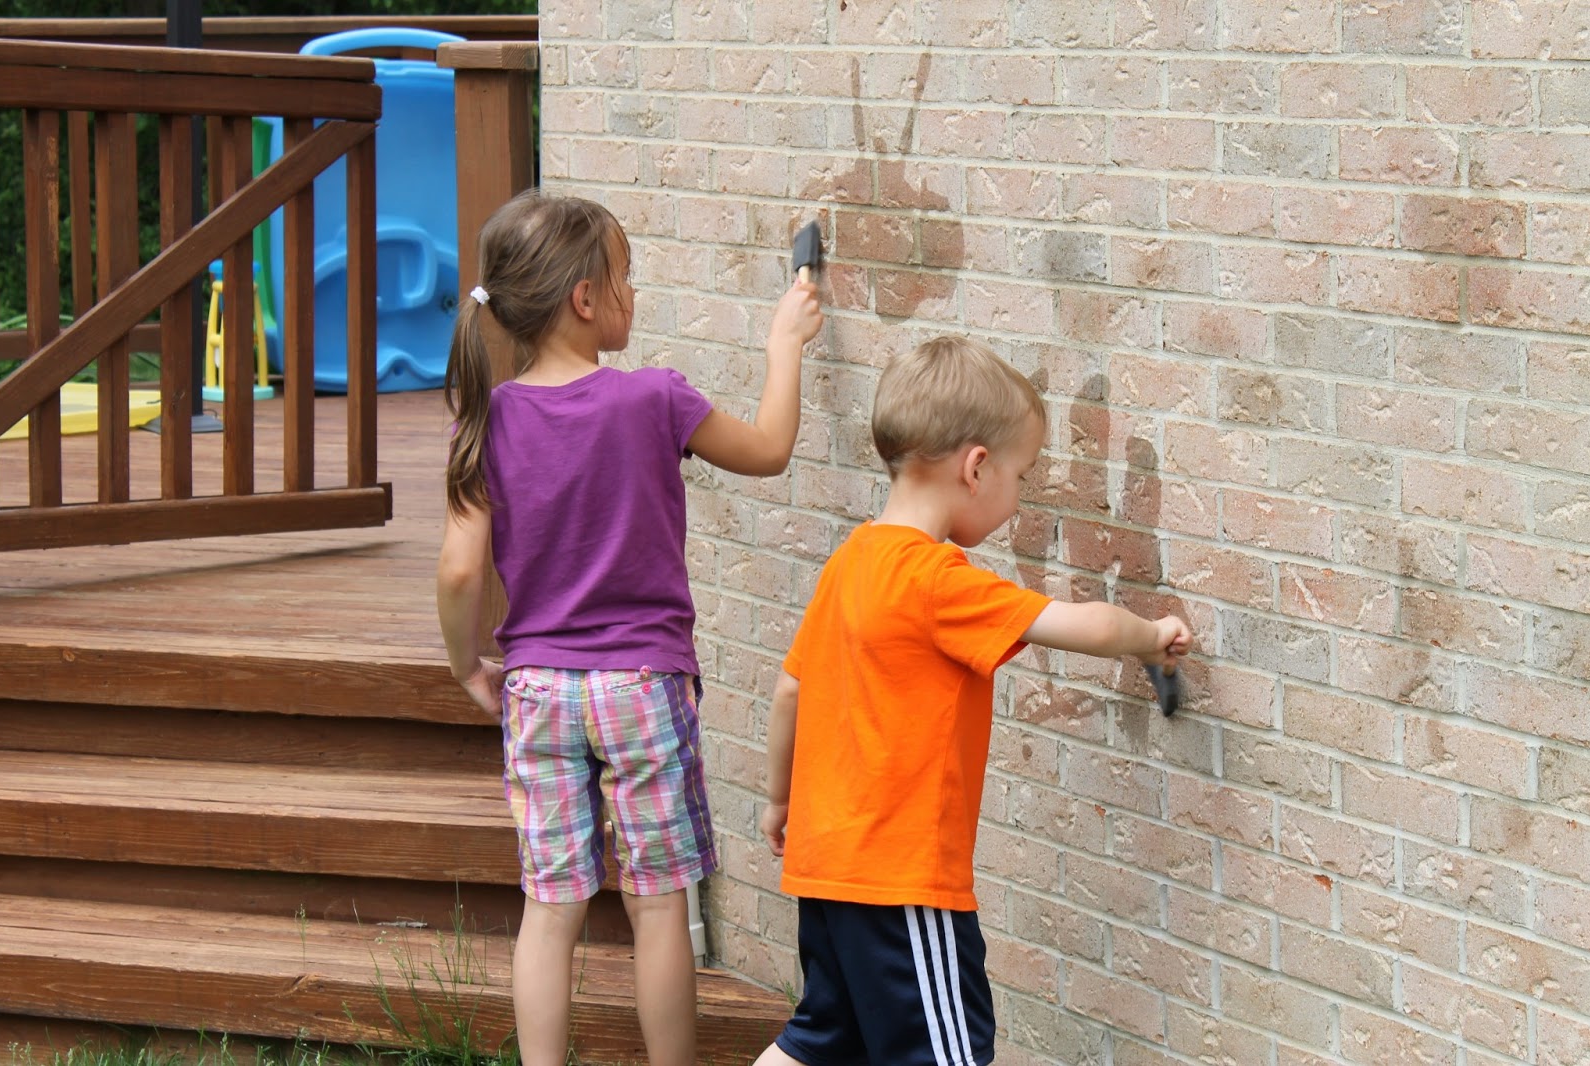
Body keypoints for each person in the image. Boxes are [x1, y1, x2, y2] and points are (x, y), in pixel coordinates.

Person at [436, 192, 823, 1066]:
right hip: (643, 687)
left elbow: (460, 570)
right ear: (584, 299)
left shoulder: (484, 419)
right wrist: (783, 344)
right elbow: (768, 448)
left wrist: (469, 663)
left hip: (536, 687)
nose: (633, 293)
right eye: (626, 278)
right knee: (657, 903)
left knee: (552, 906)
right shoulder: (655, 399)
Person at [753, 336, 1193, 1066]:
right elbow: (1077, 623)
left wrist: (778, 801)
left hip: (825, 870)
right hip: (902, 883)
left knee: (820, 1038)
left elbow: (790, 688)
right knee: (945, 1053)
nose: (1019, 494)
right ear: (976, 467)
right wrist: (1152, 637)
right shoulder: (936, 580)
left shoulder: (851, 560)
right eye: (1021, 475)